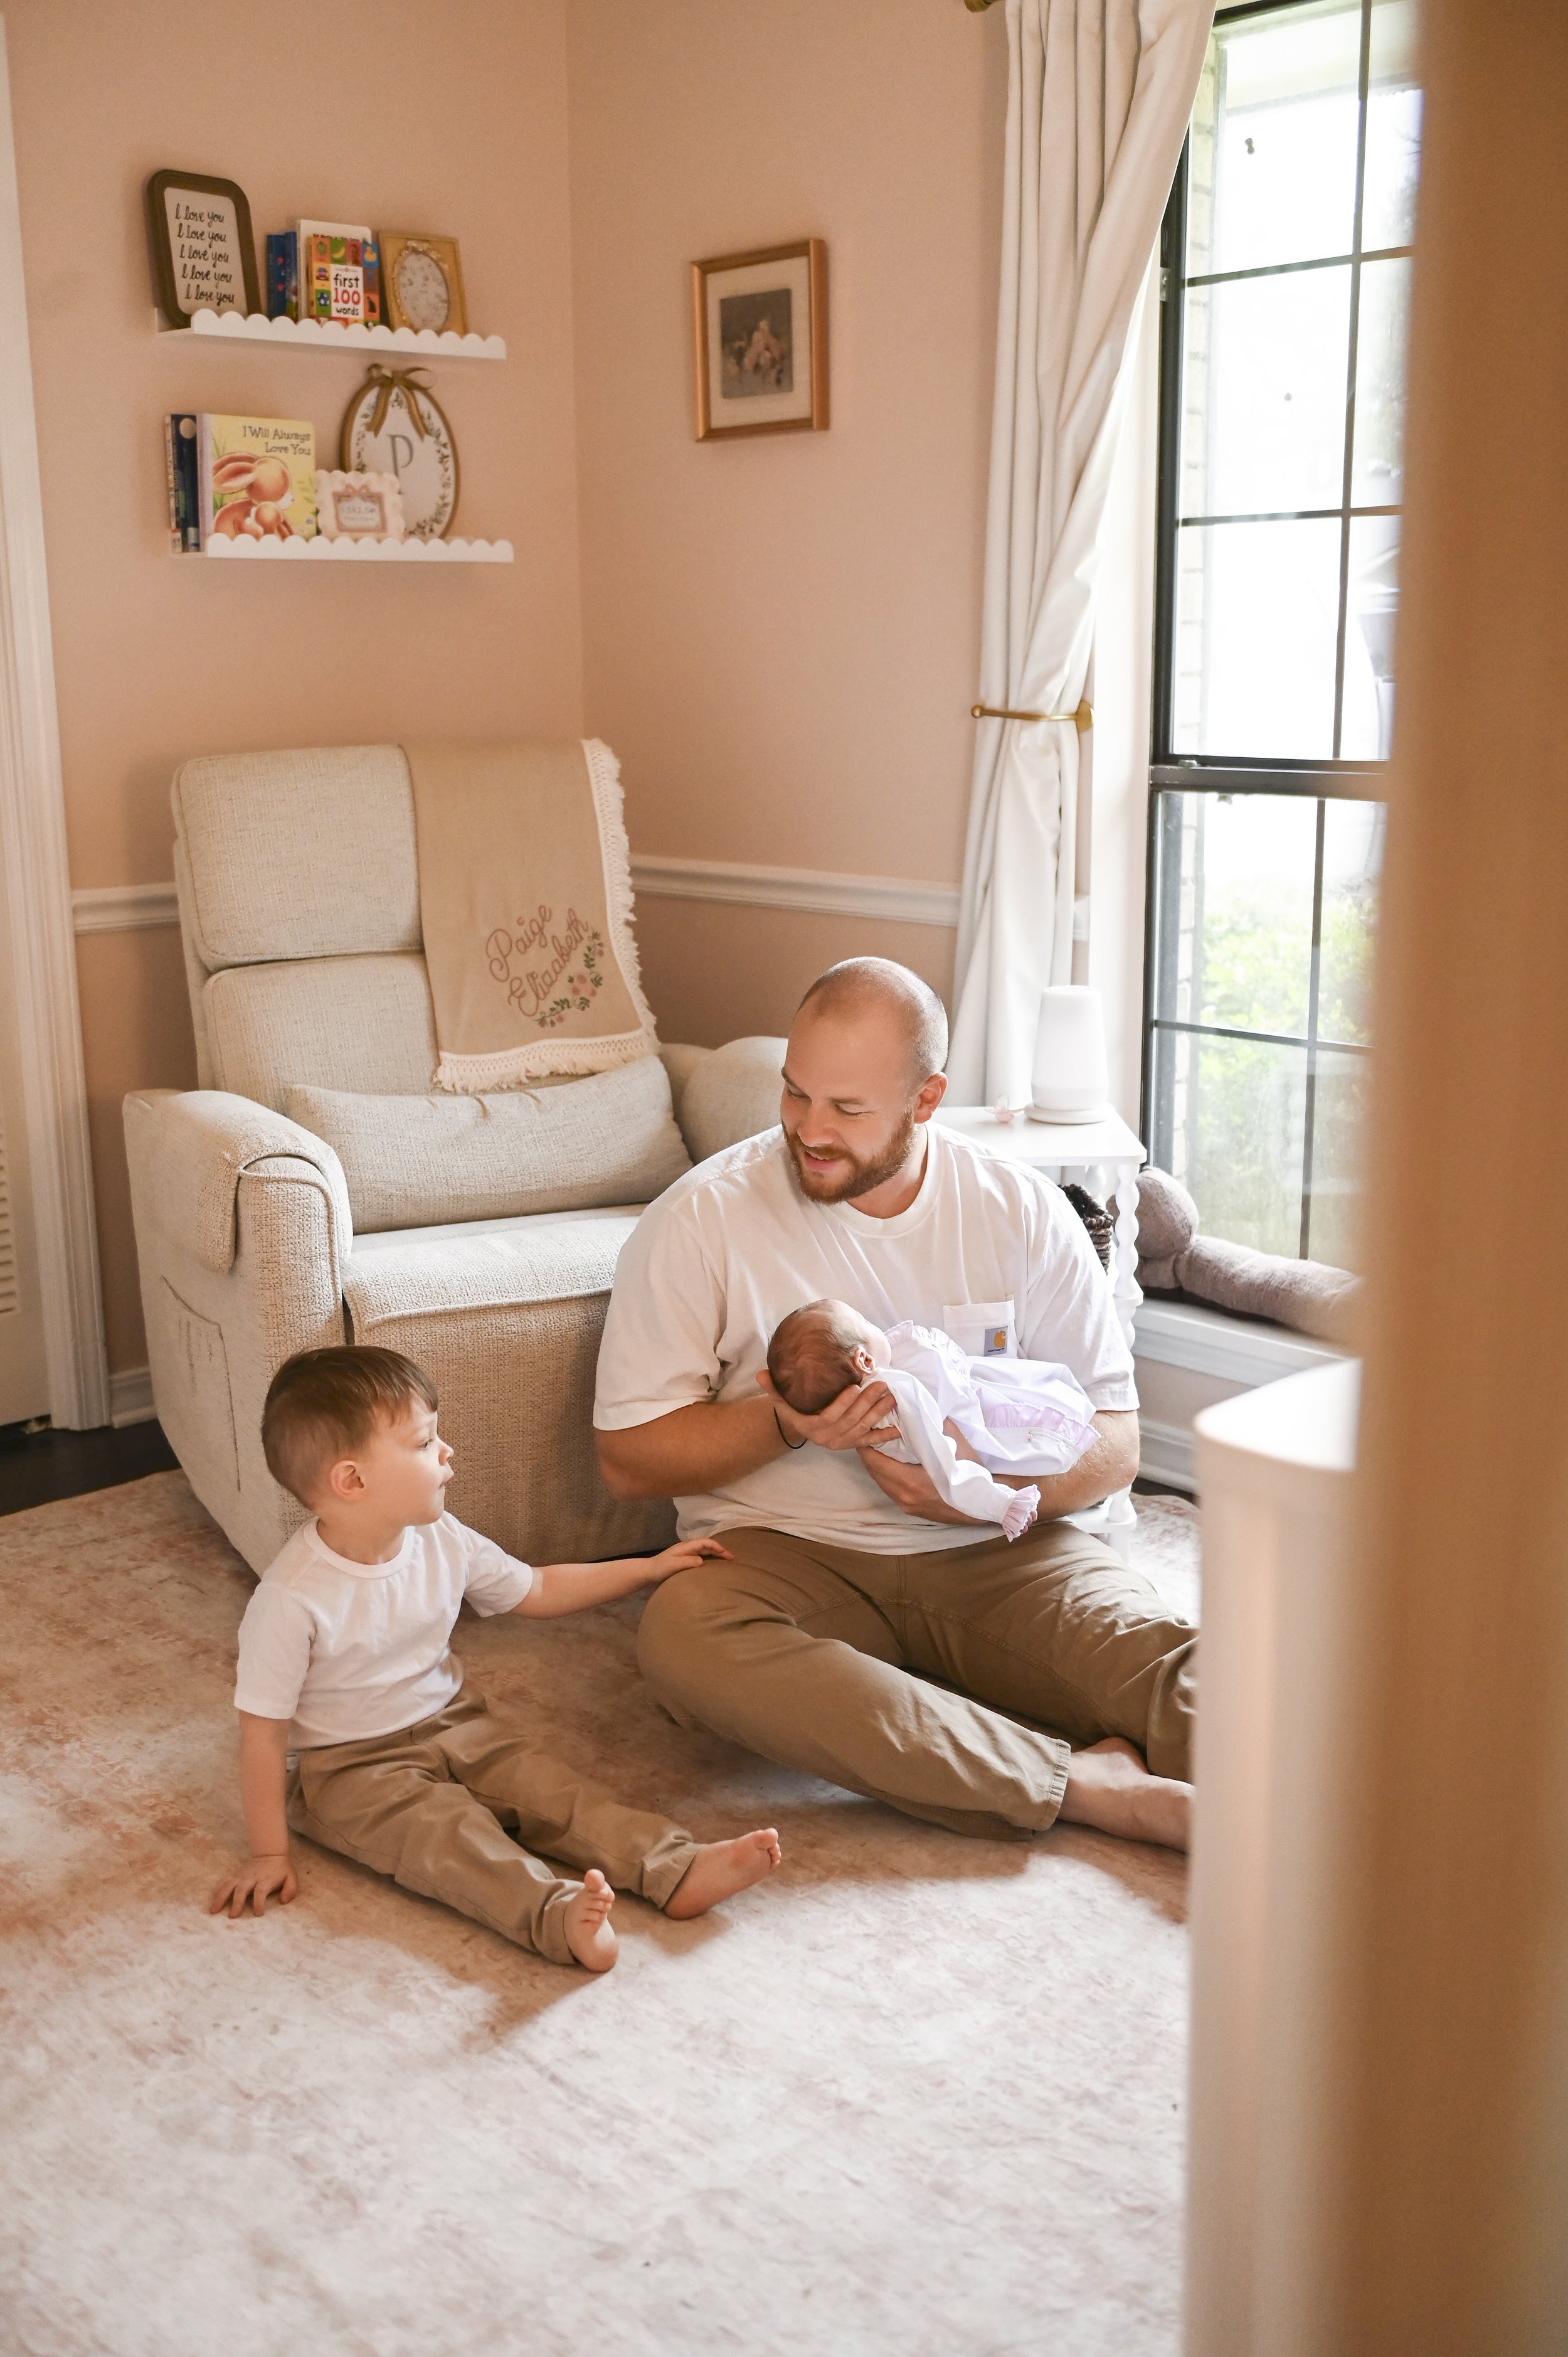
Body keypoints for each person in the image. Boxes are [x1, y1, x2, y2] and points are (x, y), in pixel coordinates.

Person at [595, 959, 1196, 1851]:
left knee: (1180, 1673)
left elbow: (1115, 1443)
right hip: (784, 1558)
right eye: (796, 1095)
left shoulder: (1020, 1211)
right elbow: (627, 1456)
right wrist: (783, 1425)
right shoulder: (699, 1221)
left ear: (927, 1100)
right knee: (686, 1641)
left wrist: (985, 1485)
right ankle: (1079, 1786)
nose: (809, 1130)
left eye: (847, 1109)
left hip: (996, 1552)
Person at [210, 1345, 781, 1971]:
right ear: (353, 1480)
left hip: (455, 1721)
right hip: (349, 1769)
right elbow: (262, 1739)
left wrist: (647, 1568)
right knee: (449, 1835)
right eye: (425, 1441)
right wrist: (269, 1852)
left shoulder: (441, 1537)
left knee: (552, 1792)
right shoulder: (290, 1600)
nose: (447, 1450)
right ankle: (556, 1915)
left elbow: (534, 1588)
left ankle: (674, 1866)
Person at [766, 1297, 1099, 1540]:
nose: (877, 1326)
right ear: (865, 1360)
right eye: (867, 1324)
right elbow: (946, 1454)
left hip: (967, 1416)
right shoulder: (895, 1391)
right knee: (1043, 1399)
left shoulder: (884, 1394)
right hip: (976, 1448)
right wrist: (1002, 1503)